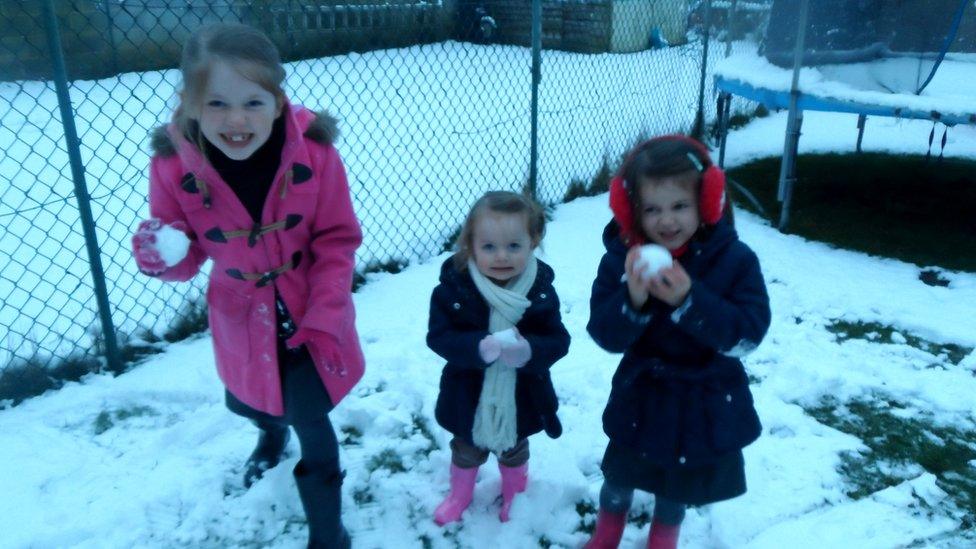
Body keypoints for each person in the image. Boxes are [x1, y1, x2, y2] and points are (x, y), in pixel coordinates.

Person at [130, 22, 362, 549]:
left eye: (253, 103)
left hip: (309, 314)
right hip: (240, 313)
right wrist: (162, 253)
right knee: (256, 396)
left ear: (278, 102)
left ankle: (329, 534)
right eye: (216, 104)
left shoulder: (316, 154)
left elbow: (336, 238)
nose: (236, 120)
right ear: (190, 104)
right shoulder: (172, 167)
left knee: (315, 422)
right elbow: (184, 255)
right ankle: (268, 433)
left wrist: (326, 312)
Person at [584, 135, 771, 548]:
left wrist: (690, 301)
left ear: (707, 202)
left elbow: (747, 333)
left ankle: (663, 538)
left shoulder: (735, 260)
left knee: (676, 484)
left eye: (680, 206)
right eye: (652, 209)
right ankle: (607, 532)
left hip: (702, 400)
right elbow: (604, 334)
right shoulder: (621, 259)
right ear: (631, 210)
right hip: (642, 395)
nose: (667, 221)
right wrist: (633, 300)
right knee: (620, 474)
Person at [426, 191, 570, 525]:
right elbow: (439, 336)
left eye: (514, 246)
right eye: (489, 246)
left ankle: (514, 497)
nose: (501, 256)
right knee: (466, 447)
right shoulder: (454, 287)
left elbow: (558, 339)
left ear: (532, 242)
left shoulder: (540, 289)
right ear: (470, 245)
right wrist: (477, 347)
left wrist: (530, 350)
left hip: (522, 394)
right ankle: (459, 495)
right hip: (467, 392)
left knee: (514, 447)